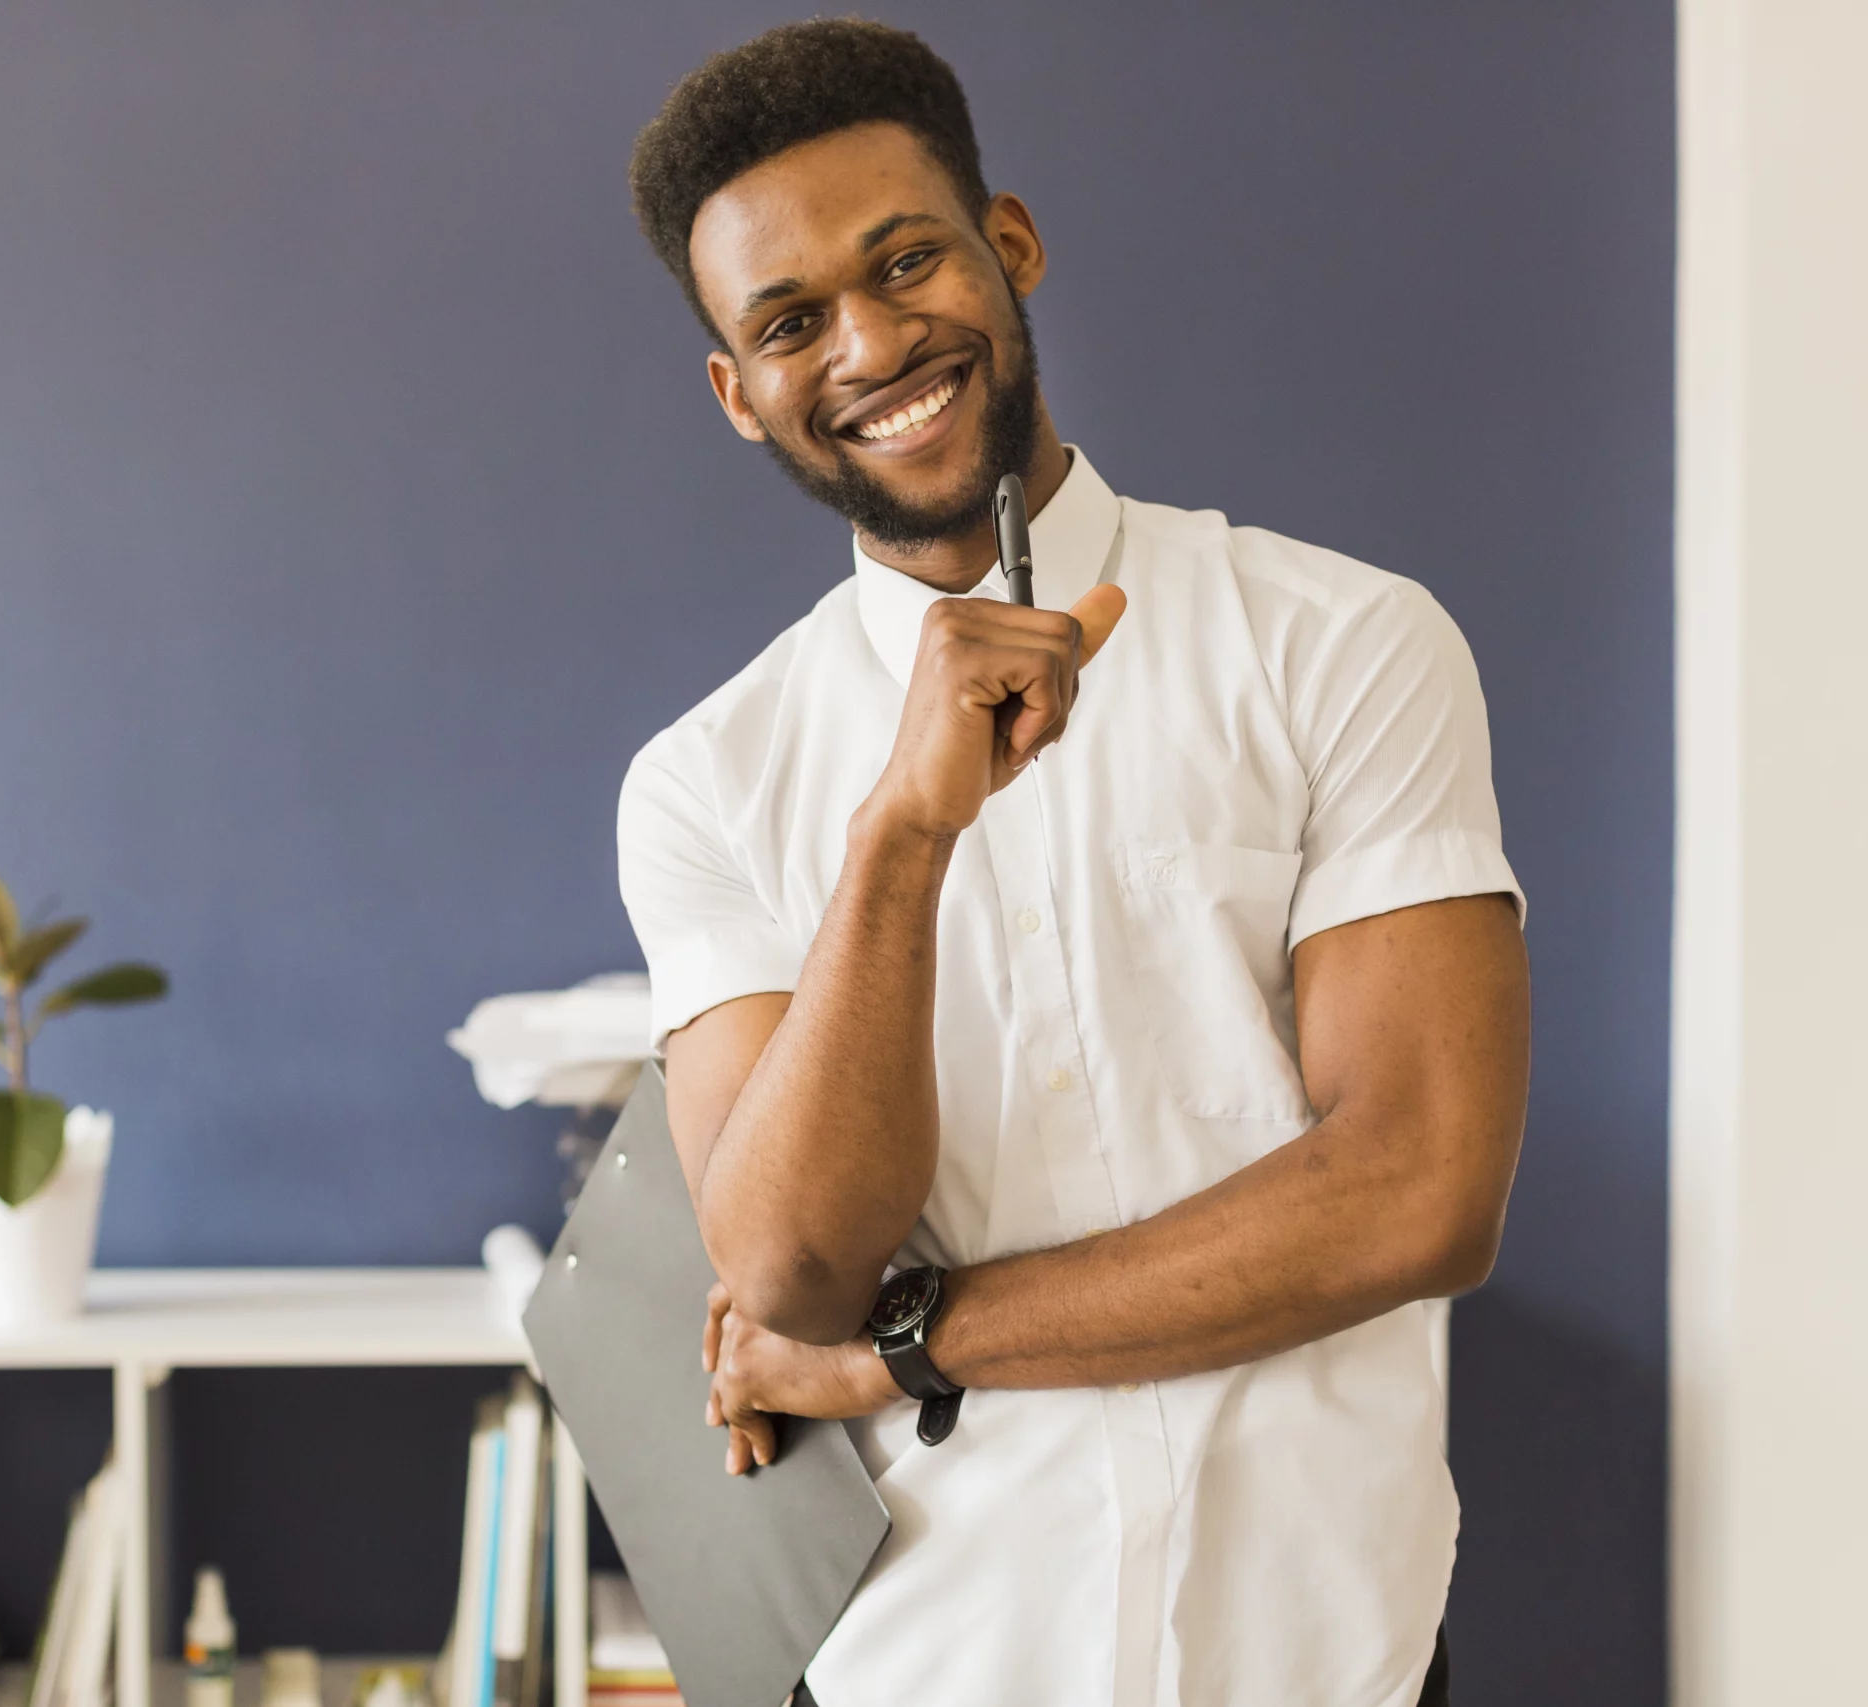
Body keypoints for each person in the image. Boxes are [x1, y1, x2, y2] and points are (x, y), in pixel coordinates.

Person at [614, 21, 1527, 1707]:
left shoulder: (1344, 644)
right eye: (793, 320)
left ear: (1007, 245)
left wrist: (909, 1345)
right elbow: (794, 1264)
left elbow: (1419, 1188)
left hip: (1327, 1664)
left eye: (907, 260)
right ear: (740, 393)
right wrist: (900, 835)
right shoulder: (704, 783)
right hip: (929, 1668)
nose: (876, 342)